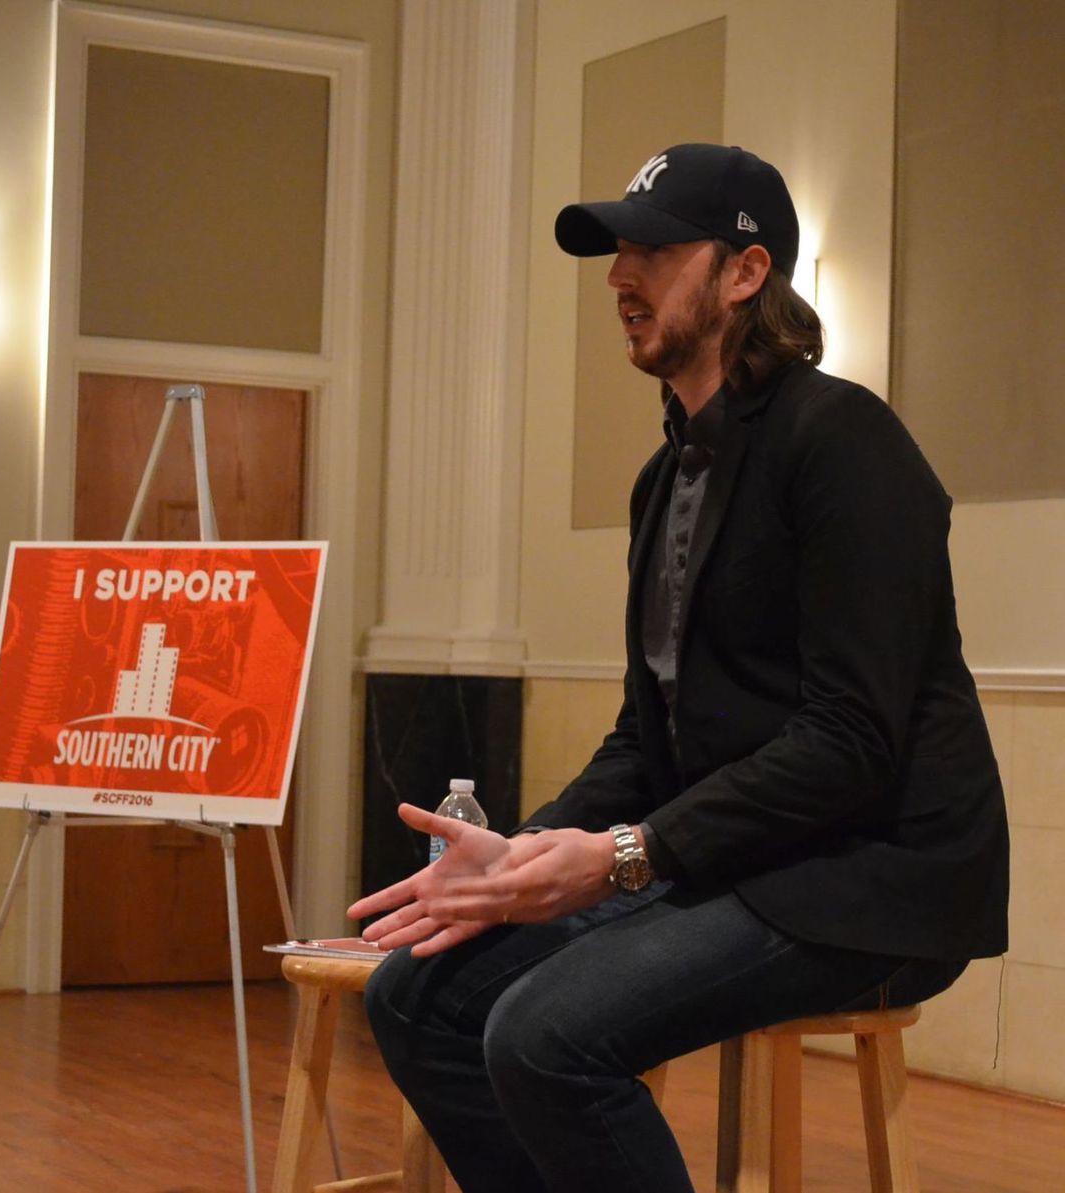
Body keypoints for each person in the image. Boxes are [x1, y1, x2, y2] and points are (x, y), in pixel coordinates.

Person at [348, 142, 1008, 1193]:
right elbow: (645, 736)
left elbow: (850, 742)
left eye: (653, 251)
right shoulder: (666, 476)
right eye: (619, 253)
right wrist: (521, 854)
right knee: (414, 997)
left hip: (874, 877)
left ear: (745, 272)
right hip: (739, 855)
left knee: (544, 1034)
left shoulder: (846, 442)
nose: (620, 275)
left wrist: (625, 853)